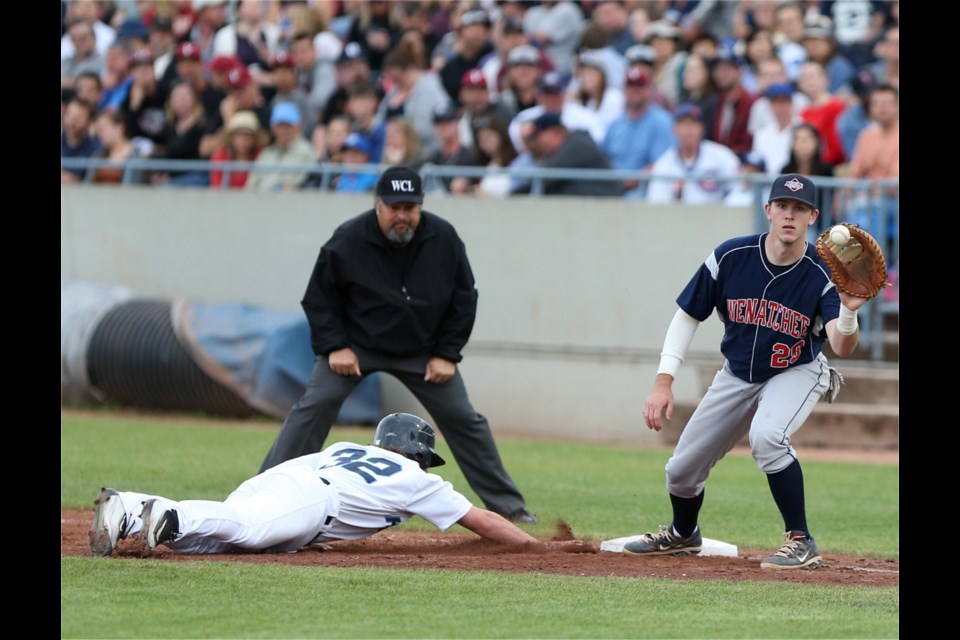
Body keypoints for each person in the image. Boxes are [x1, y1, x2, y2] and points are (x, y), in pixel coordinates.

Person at [257, 166, 537, 525]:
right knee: (316, 403)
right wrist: (336, 346)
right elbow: (319, 300)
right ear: (378, 205)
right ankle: (266, 493)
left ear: (420, 207)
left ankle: (511, 509)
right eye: (395, 207)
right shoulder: (347, 239)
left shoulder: (444, 238)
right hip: (356, 347)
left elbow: (464, 300)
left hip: (423, 352)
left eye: (411, 207)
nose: (403, 215)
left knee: (465, 419)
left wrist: (446, 354)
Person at [624, 173, 867, 570]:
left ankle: (801, 540)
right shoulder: (730, 256)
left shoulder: (824, 274)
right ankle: (684, 534)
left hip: (796, 370)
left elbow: (842, 348)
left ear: (813, 217)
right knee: (681, 471)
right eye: (783, 206)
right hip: (737, 373)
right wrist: (663, 381)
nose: (790, 215)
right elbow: (687, 316)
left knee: (768, 437)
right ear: (767, 209)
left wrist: (848, 315)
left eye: (800, 209)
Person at [89, 413, 539, 557]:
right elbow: (483, 520)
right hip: (312, 498)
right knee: (244, 529)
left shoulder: (347, 445)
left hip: (282, 479)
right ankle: (146, 506)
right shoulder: (419, 479)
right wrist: (536, 549)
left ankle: (130, 512)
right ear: (418, 453)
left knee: (213, 542)